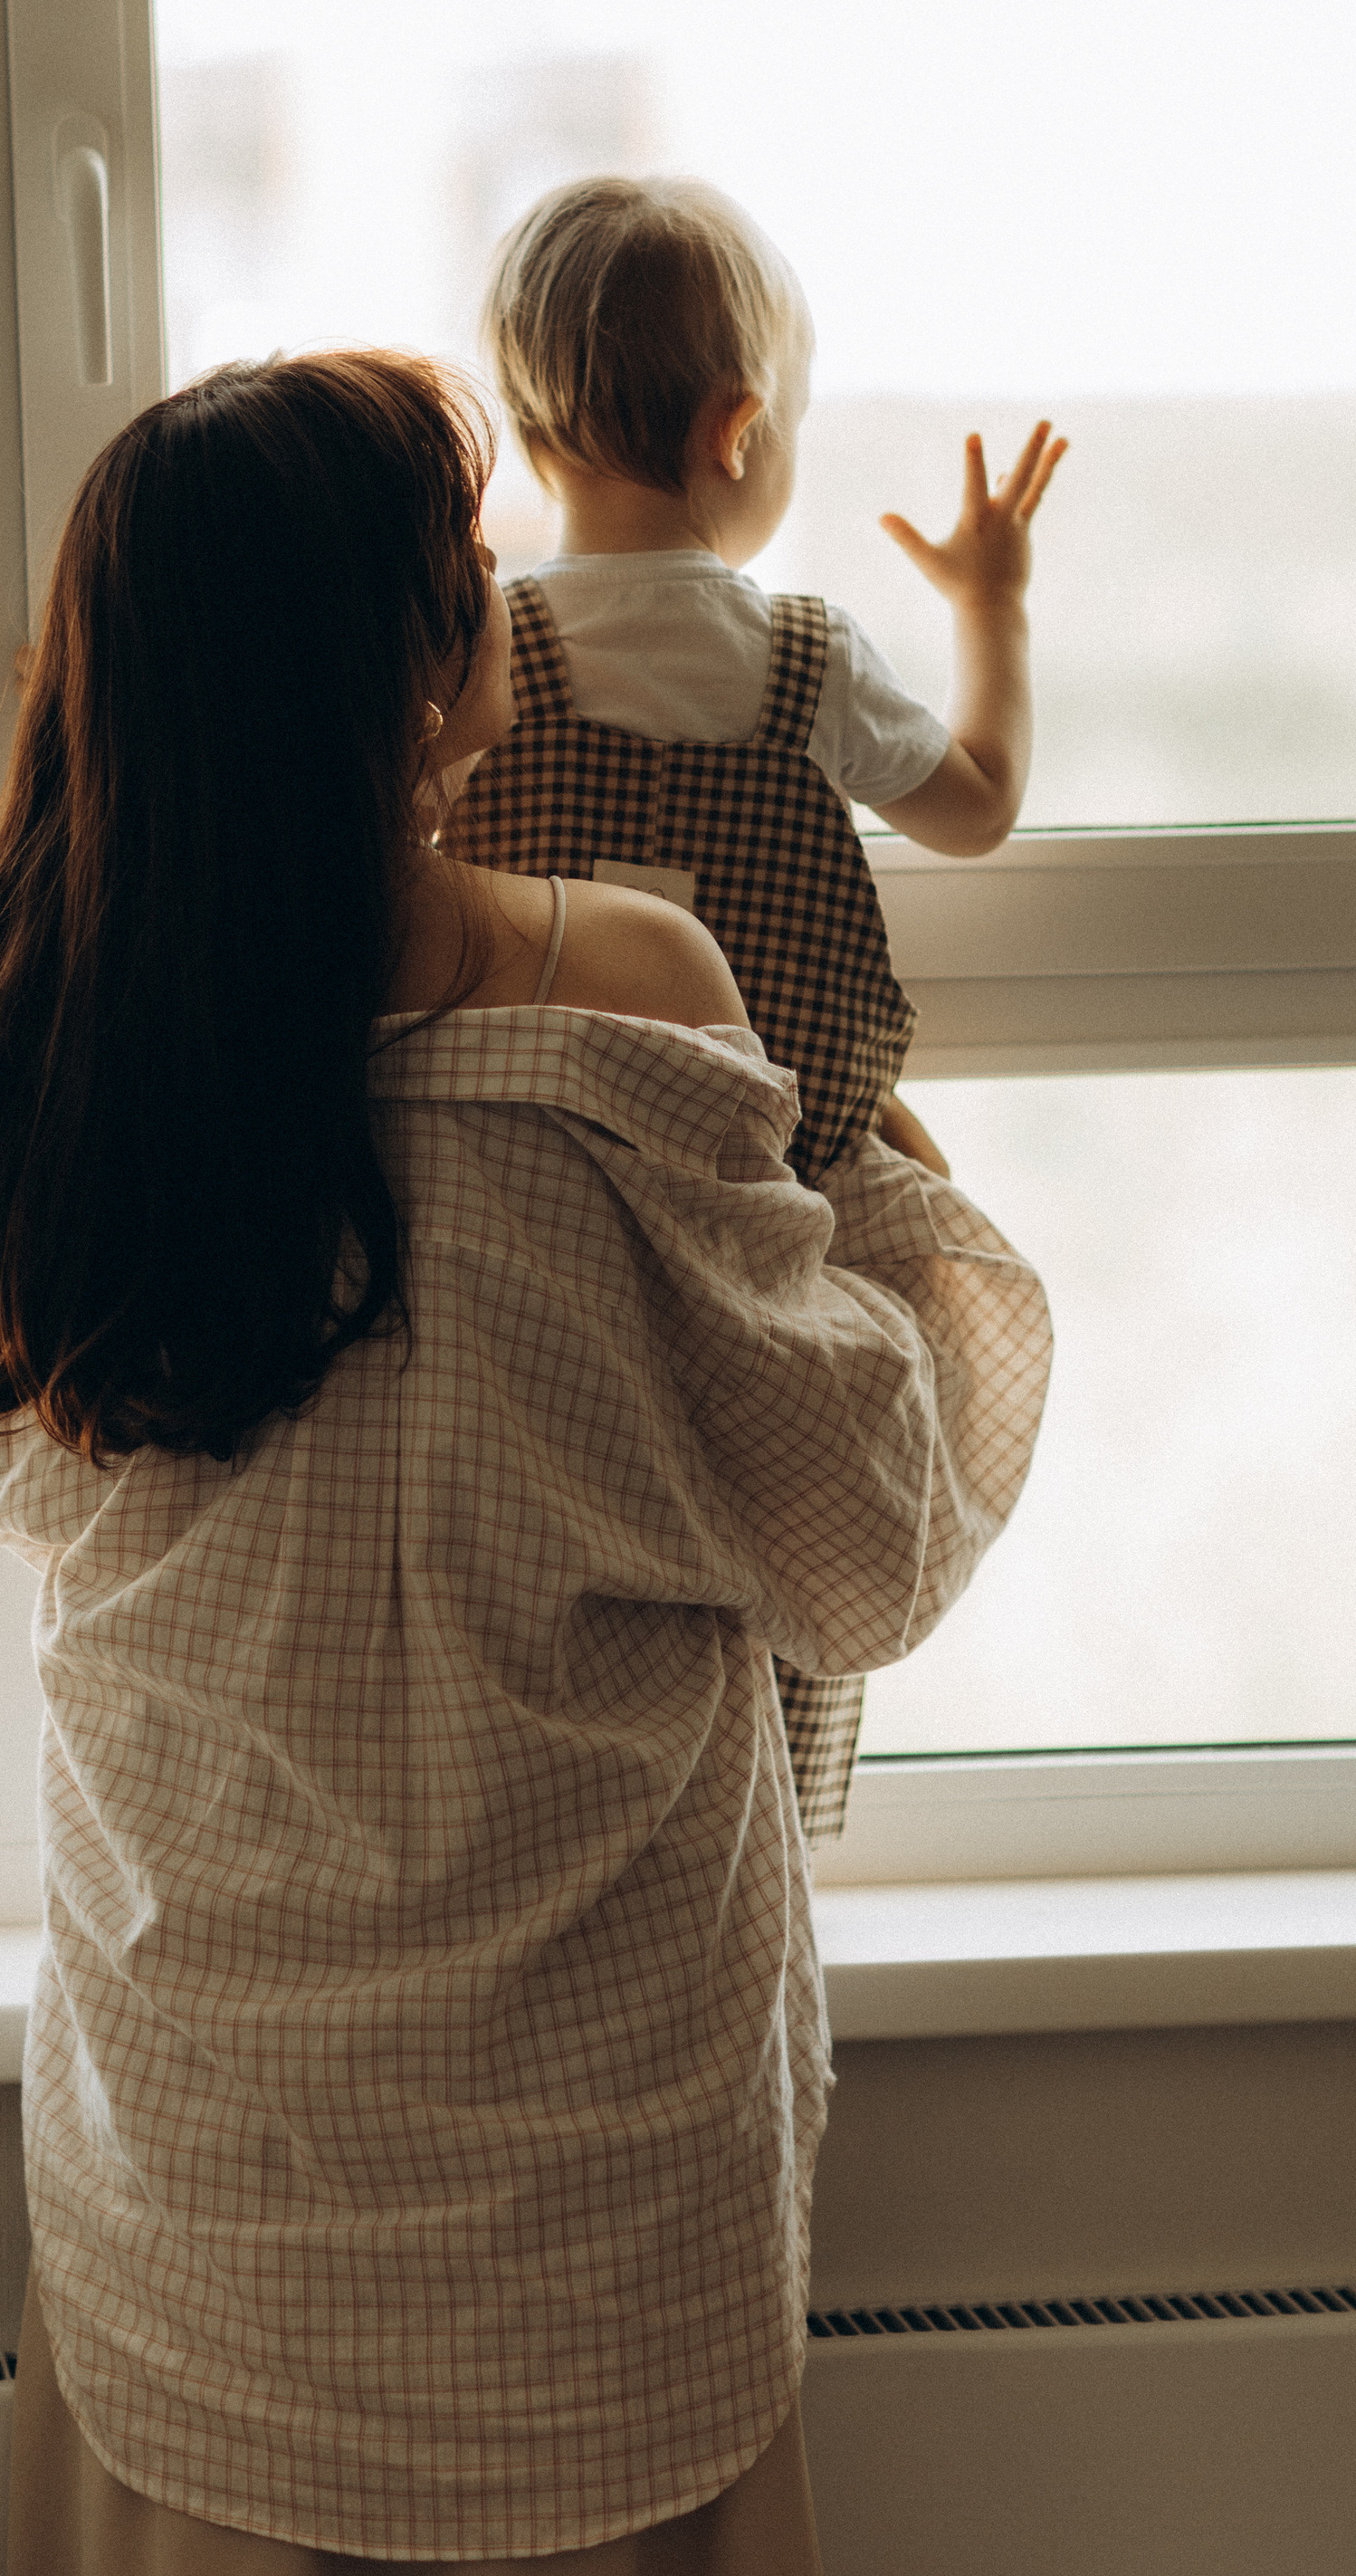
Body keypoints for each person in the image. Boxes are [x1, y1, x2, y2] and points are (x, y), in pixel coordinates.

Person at [0, 349, 1050, 2576]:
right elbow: (862, 1535)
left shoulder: (46, 1072)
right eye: (462, 565)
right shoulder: (613, 992)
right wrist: (884, 1189)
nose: (499, 596)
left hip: (201, 2145)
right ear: (408, 665)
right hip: (583, 2186)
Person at [445, 177, 1065, 1841]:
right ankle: (758, 1851)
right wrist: (989, 606)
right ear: (739, 432)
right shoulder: (802, 662)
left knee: (558, 1570)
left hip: (531, 1218)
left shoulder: (484, 660)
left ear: (527, 428)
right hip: (775, 1224)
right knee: (798, 1548)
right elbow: (980, 800)